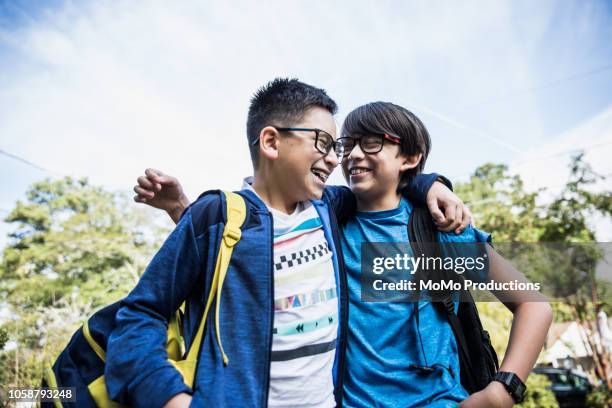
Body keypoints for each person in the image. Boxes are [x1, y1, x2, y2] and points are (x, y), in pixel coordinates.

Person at [136, 101, 553, 407]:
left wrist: (502, 391)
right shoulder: (330, 218)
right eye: (347, 143)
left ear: (409, 158)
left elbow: (533, 305)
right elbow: (253, 244)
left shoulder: (437, 228)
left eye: (371, 144)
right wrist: (181, 209)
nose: (351, 154)